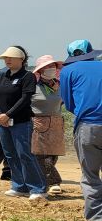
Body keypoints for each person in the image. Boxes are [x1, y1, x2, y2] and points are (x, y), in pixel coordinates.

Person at [0, 46, 46, 202]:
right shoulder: (1, 77)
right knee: (10, 155)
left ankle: (37, 188)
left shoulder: (27, 77)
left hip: (21, 122)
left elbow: (25, 98)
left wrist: (8, 114)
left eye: (11, 58)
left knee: (25, 154)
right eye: (5, 58)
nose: (7, 60)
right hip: (2, 123)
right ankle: (19, 186)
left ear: (21, 59)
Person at [59, 39, 102, 221]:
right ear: (91, 53)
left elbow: (68, 103)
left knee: (90, 175)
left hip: (88, 127)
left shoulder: (68, 71)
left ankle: (99, 220)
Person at [30, 55, 66, 195]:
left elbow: (63, 101)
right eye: (46, 67)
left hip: (56, 122)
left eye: (53, 66)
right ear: (40, 70)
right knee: (41, 155)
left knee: (53, 155)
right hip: (39, 122)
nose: (50, 69)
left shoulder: (59, 85)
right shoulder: (34, 86)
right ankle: (54, 181)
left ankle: (43, 181)